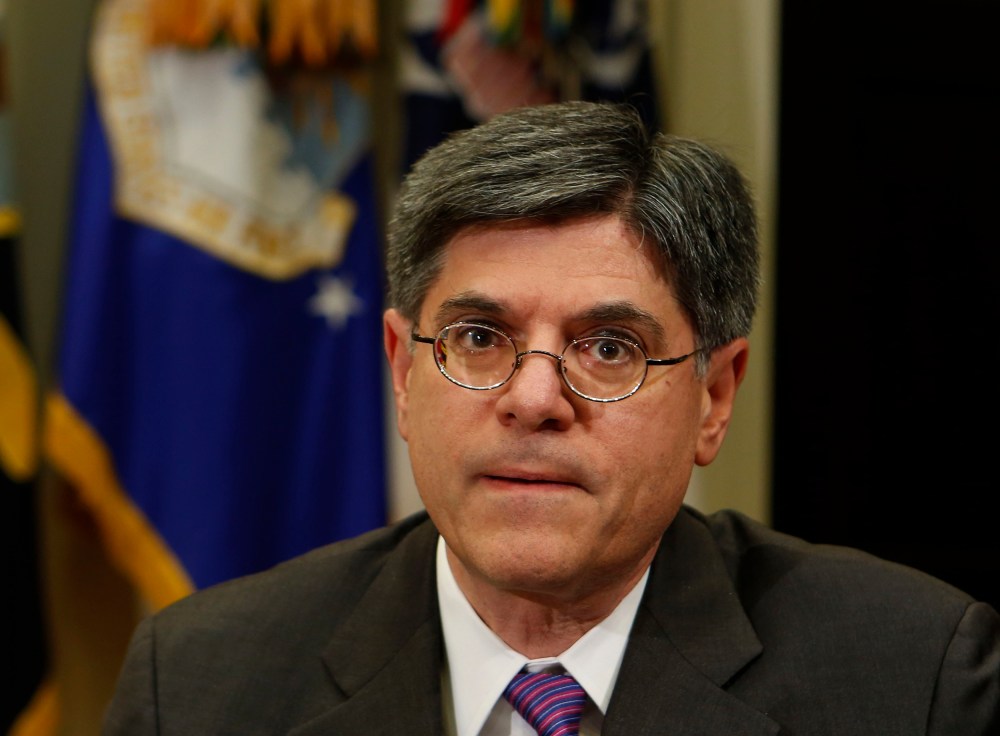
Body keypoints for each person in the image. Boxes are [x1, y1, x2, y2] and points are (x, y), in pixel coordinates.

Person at [103, 101, 999, 735]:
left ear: (714, 398)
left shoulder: (910, 675)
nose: (533, 399)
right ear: (403, 375)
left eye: (609, 347)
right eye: (480, 336)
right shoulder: (197, 684)